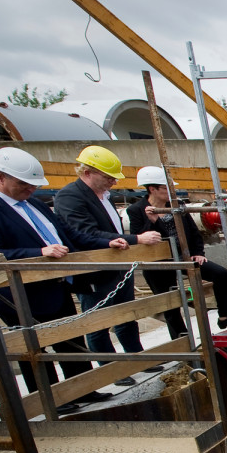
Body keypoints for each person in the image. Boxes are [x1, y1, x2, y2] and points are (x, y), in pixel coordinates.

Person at [0, 147, 130, 411]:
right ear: (0, 177)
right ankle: (48, 399)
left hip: (57, 285)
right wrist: (37, 252)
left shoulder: (35, 205)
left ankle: (82, 389)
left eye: (33, 184)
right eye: (23, 183)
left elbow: (69, 236)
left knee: (69, 337)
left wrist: (106, 241)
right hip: (18, 294)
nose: (30, 189)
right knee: (33, 348)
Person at [54, 145, 163, 386]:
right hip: (95, 269)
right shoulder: (70, 196)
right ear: (88, 172)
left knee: (126, 314)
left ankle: (137, 358)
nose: (113, 182)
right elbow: (83, 233)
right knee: (99, 321)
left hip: (117, 266)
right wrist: (135, 239)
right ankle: (111, 369)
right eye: (108, 177)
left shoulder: (103, 196)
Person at [127, 167, 227, 335]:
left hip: (184, 255)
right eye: (167, 188)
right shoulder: (136, 210)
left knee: (220, 273)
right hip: (160, 262)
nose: (171, 192)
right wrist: (154, 221)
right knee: (169, 300)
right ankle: (181, 336)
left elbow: (194, 232)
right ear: (152, 189)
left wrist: (198, 253)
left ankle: (225, 316)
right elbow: (142, 239)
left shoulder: (177, 205)